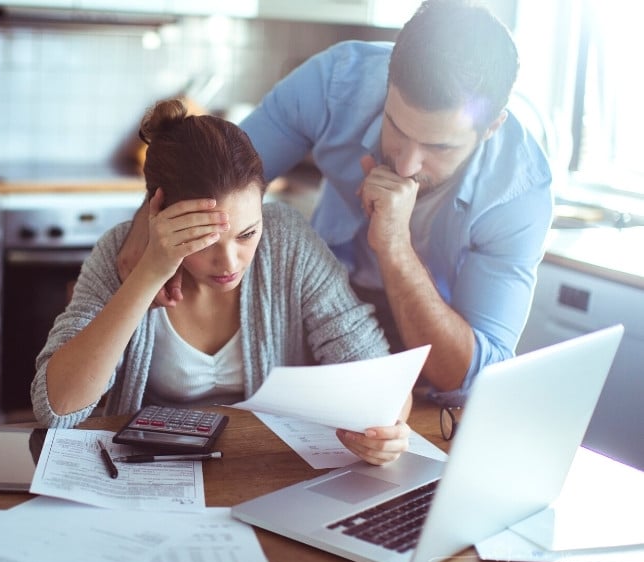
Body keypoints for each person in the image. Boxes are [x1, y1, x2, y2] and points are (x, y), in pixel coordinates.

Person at [118, 0, 553, 402]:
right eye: (397, 127)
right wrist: (148, 222)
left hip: (435, 339)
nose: (405, 165)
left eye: (438, 147)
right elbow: (219, 174)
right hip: (325, 304)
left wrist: (395, 248)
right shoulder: (338, 81)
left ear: (492, 127)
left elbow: (471, 379)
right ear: (387, 81)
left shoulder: (519, 195)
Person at [32, 99, 410, 465]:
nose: (229, 263)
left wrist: (387, 430)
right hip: (151, 471)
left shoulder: (287, 240)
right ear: (158, 216)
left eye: (247, 234)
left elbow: (377, 373)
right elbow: (56, 409)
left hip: (264, 469)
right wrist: (148, 274)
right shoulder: (119, 253)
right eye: (205, 241)